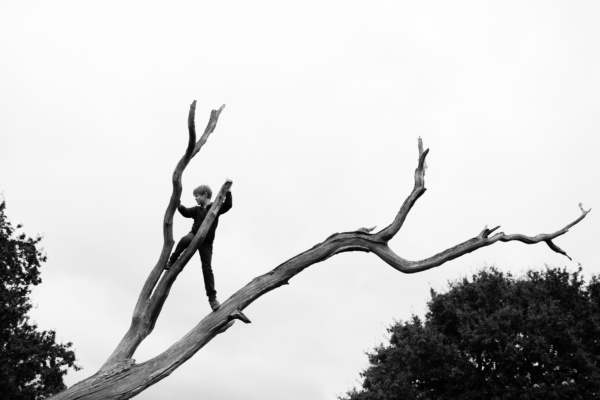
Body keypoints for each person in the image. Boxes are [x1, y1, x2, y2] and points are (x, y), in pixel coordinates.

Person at [166, 182, 233, 311]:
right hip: (194, 235)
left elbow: (228, 205)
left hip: (207, 242)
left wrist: (228, 192)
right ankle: (172, 259)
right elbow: (186, 212)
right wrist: (178, 205)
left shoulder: (215, 207)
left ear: (205, 195)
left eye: (197, 196)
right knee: (185, 240)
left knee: (207, 268)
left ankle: (212, 299)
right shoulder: (197, 210)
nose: (195, 198)